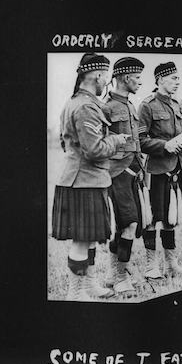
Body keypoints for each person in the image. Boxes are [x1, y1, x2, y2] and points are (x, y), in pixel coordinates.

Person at [51, 53, 128, 301]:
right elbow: (94, 150)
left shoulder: (77, 102)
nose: (106, 81)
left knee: (91, 238)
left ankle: (90, 285)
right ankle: (76, 291)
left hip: (87, 180)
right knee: (81, 240)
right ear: (97, 75)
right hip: (83, 181)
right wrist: (116, 139)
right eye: (105, 76)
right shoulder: (85, 106)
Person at [138, 62, 182, 277]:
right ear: (160, 80)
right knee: (152, 219)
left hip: (176, 169)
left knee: (171, 219)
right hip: (156, 170)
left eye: (179, 79)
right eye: (173, 79)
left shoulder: (177, 104)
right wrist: (163, 146)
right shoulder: (147, 105)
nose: (177, 82)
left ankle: (171, 263)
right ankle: (152, 267)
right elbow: (140, 140)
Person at [102, 57, 147, 295]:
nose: (140, 82)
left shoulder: (130, 105)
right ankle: (121, 279)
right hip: (116, 174)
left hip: (133, 174)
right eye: (137, 78)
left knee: (127, 226)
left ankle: (112, 275)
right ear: (126, 78)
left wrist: (140, 170)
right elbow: (100, 144)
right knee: (129, 224)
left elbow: (137, 143)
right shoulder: (106, 107)